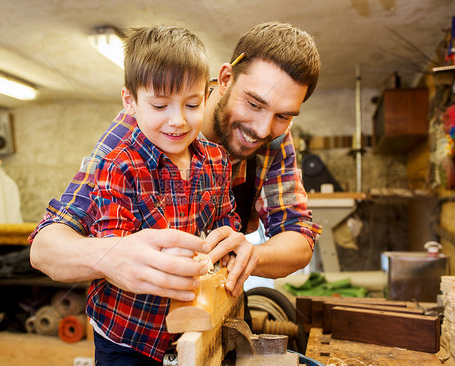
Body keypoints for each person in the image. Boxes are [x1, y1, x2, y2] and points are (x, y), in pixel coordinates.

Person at [30, 20, 321, 317]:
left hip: (219, 311)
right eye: (254, 104)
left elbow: (299, 237)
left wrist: (254, 254)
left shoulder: (275, 138)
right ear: (224, 79)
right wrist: (110, 256)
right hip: (141, 328)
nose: (262, 129)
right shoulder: (138, 132)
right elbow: (45, 248)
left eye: (283, 116)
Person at [79, 26, 240, 366]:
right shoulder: (117, 165)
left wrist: (226, 241)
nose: (178, 120)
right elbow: (114, 250)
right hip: (126, 334)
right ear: (130, 102)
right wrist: (171, 255)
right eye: (160, 105)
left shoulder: (216, 160)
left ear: (207, 96)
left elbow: (227, 219)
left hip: (191, 325)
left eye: (192, 104)